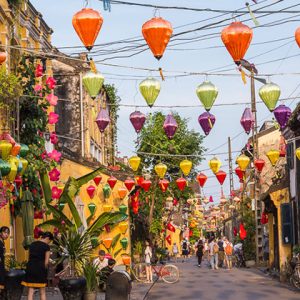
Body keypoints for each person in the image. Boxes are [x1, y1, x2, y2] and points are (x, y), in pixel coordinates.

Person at [22, 231, 53, 300]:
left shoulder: (32, 244)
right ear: (47, 238)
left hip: (30, 268)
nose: (49, 243)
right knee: (42, 292)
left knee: (30, 291)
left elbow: (28, 258)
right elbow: (46, 262)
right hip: (40, 269)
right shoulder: (46, 247)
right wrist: (44, 270)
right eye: (49, 241)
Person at [0, 226, 10, 297]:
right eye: (5, 232)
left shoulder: (2, 241)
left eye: (8, 233)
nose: (6, 234)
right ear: (0, 233)